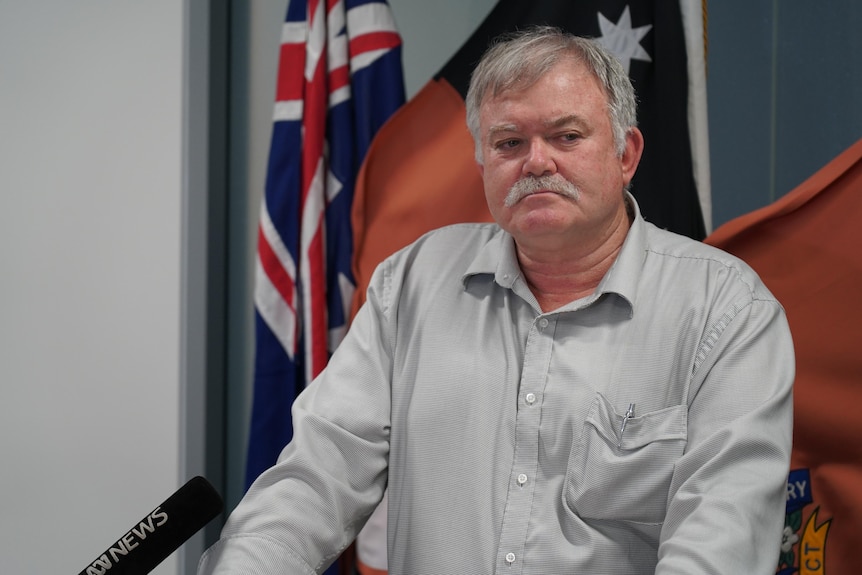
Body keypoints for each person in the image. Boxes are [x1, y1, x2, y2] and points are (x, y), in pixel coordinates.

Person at [198, 27, 794, 574]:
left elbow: (722, 545)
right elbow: (316, 478)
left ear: (626, 155)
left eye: (566, 135)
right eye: (509, 142)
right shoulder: (411, 284)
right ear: (483, 163)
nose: (537, 162)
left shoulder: (726, 310)